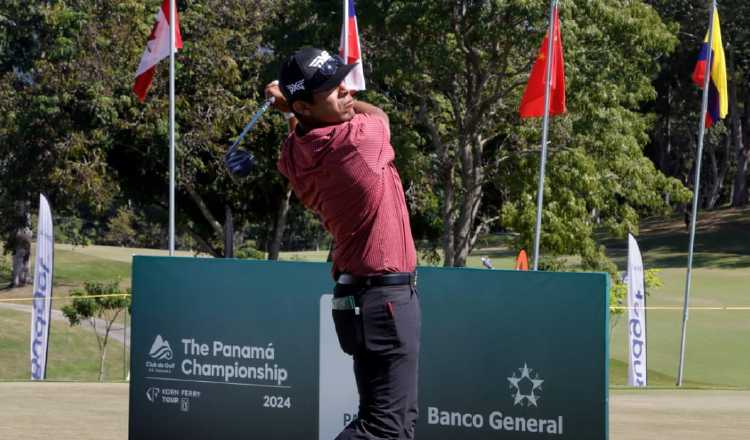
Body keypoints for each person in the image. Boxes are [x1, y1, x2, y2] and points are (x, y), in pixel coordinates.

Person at [265, 47, 421, 440]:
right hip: (384, 301)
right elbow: (381, 117)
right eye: (335, 91)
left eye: (345, 83)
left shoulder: (293, 153)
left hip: (361, 300)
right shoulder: (356, 143)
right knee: (385, 429)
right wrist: (289, 106)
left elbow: (303, 127)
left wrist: (291, 109)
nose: (348, 93)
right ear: (305, 104)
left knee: (398, 424)